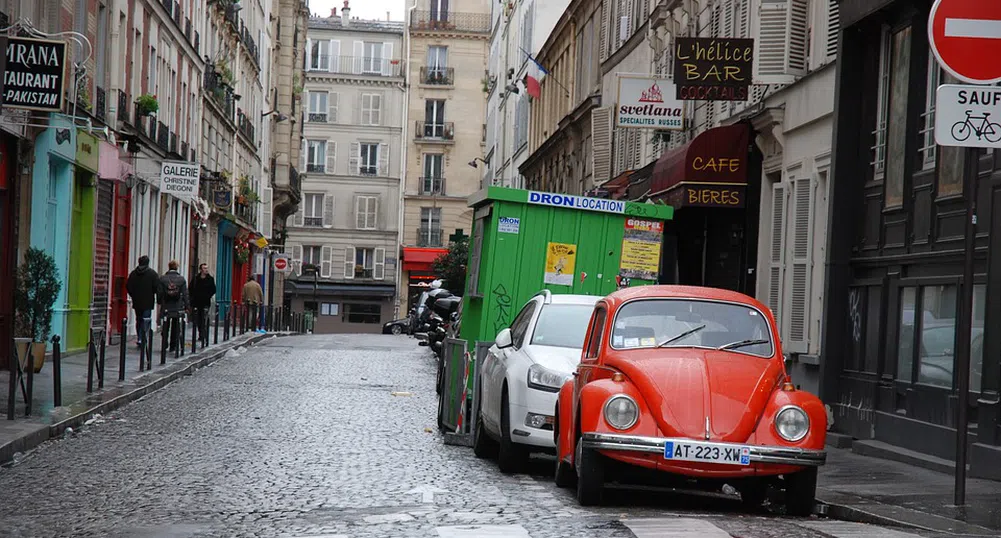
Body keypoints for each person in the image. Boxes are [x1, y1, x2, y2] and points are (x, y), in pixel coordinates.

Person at [126, 255, 159, 349]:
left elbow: (128, 286)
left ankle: (139, 337)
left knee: (139, 319)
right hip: (148, 300)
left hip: (137, 300)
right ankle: (142, 338)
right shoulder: (152, 274)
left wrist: (134, 295)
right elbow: (156, 287)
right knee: (146, 319)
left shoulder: (133, 273)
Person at [158, 260, 189, 351]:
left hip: (166, 304)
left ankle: (164, 343)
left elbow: (159, 292)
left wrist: (160, 302)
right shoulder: (181, 279)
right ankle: (173, 345)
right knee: (175, 326)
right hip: (177, 305)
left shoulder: (162, 279)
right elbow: (185, 294)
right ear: (177, 267)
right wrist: (187, 305)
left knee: (165, 325)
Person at [190, 263, 216, 345]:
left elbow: (213, 289)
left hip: (205, 302)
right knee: (198, 319)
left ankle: (204, 334)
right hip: (197, 302)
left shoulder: (210, 279)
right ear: (200, 269)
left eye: (207, 268)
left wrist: (208, 295)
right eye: (204, 268)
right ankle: (200, 333)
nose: (206, 270)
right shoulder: (195, 279)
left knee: (204, 318)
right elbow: (190, 288)